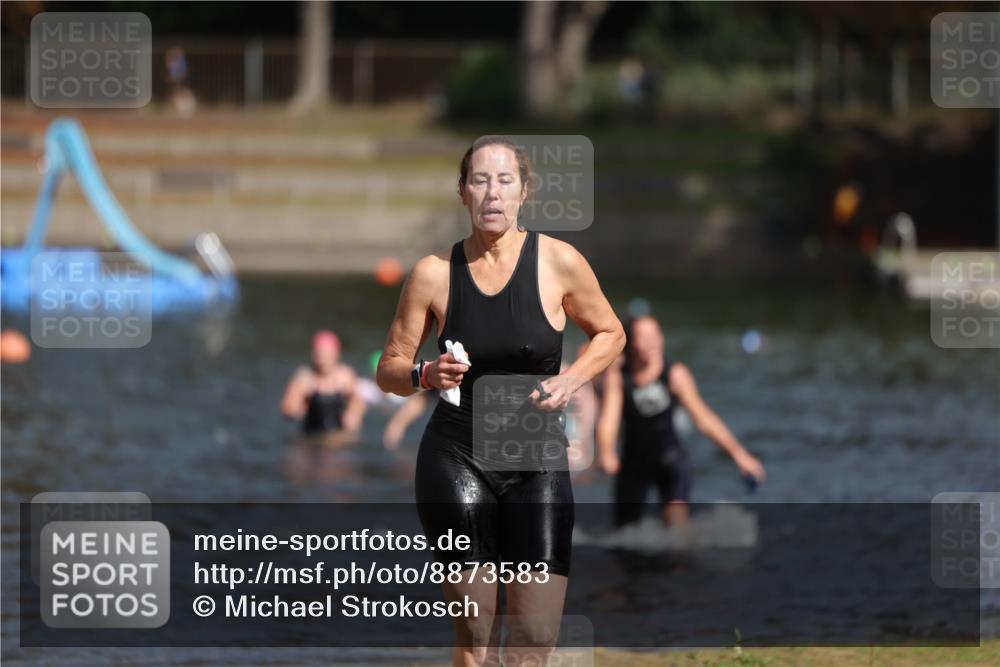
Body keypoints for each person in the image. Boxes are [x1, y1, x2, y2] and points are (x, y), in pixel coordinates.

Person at [376, 136, 624, 666]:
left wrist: (571, 381)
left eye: (504, 180)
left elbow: (611, 334)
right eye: (481, 181)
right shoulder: (433, 274)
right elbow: (388, 369)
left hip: (536, 459)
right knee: (476, 629)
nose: (492, 193)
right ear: (463, 192)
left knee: (534, 636)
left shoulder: (559, 262)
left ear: (524, 192)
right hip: (456, 455)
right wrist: (424, 373)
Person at [597, 315, 766, 527]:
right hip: (633, 464)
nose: (652, 343)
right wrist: (606, 451)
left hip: (671, 461)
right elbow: (608, 418)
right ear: (631, 344)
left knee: (676, 527)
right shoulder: (619, 376)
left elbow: (704, 418)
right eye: (644, 337)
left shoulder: (675, 374)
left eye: (655, 336)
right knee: (624, 534)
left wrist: (741, 456)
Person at [280, 330, 366, 447]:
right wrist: (298, 408)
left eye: (326, 355)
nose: (322, 360)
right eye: (319, 355)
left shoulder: (345, 375)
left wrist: (354, 414)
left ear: (336, 354)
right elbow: (287, 408)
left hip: (339, 438)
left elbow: (359, 399)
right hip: (312, 437)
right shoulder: (305, 377)